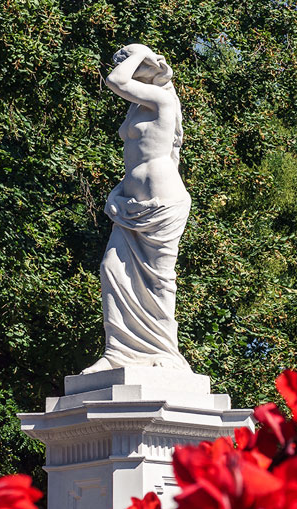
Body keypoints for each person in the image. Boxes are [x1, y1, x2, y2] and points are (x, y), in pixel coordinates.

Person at [81, 43, 193, 375]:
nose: (123, 63)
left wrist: (138, 53)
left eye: (128, 60)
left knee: (159, 282)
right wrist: (116, 193)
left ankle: (164, 352)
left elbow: (116, 80)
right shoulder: (138, 108)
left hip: (162, 204)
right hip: (130, 204)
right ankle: (118, 352)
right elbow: (134, 162)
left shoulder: (162, 99)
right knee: (111, 269)